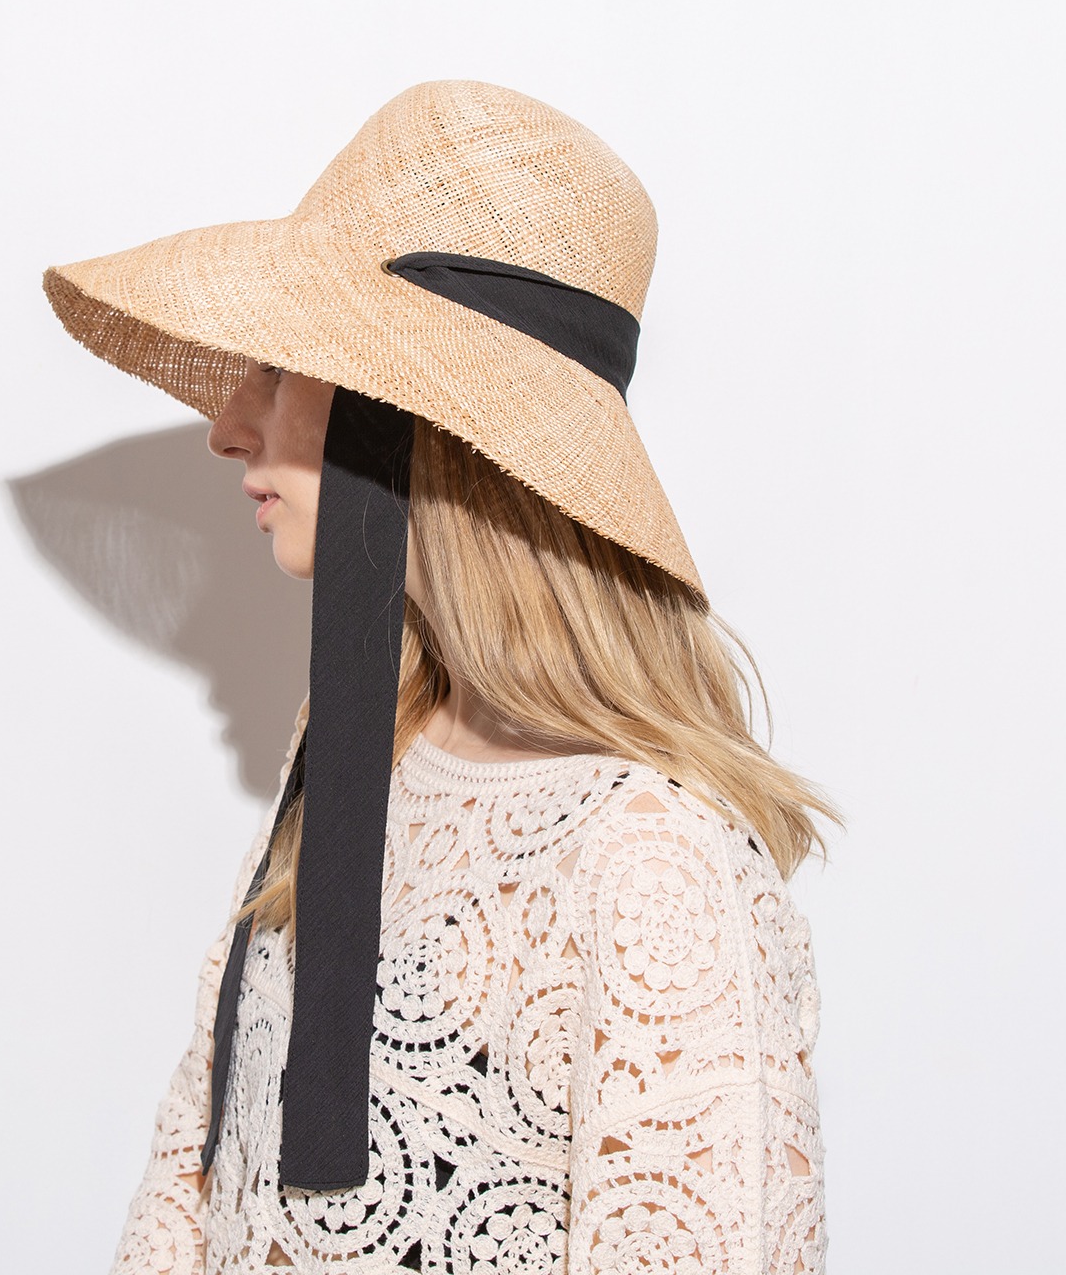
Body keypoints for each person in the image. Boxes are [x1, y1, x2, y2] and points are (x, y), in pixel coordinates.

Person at [43, 79, 843, 1275]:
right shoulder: (358, 754)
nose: (227, 426)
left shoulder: (651, 859)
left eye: (283, 366)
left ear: (402, 412)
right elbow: (198, 1178)